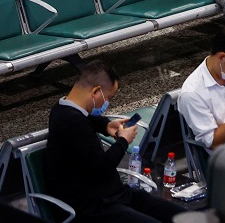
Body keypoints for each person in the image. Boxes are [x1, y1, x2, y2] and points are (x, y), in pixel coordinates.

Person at [45, 60, 185, 223]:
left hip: (115, 195)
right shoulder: (72, 122)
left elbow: (88, 118)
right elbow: (102, 166)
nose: (107, 103)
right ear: (96, 91)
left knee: (180, 215)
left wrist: (106, 125)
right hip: (94, 208)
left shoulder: (61, 108)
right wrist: (123, 141)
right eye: (109, 98)